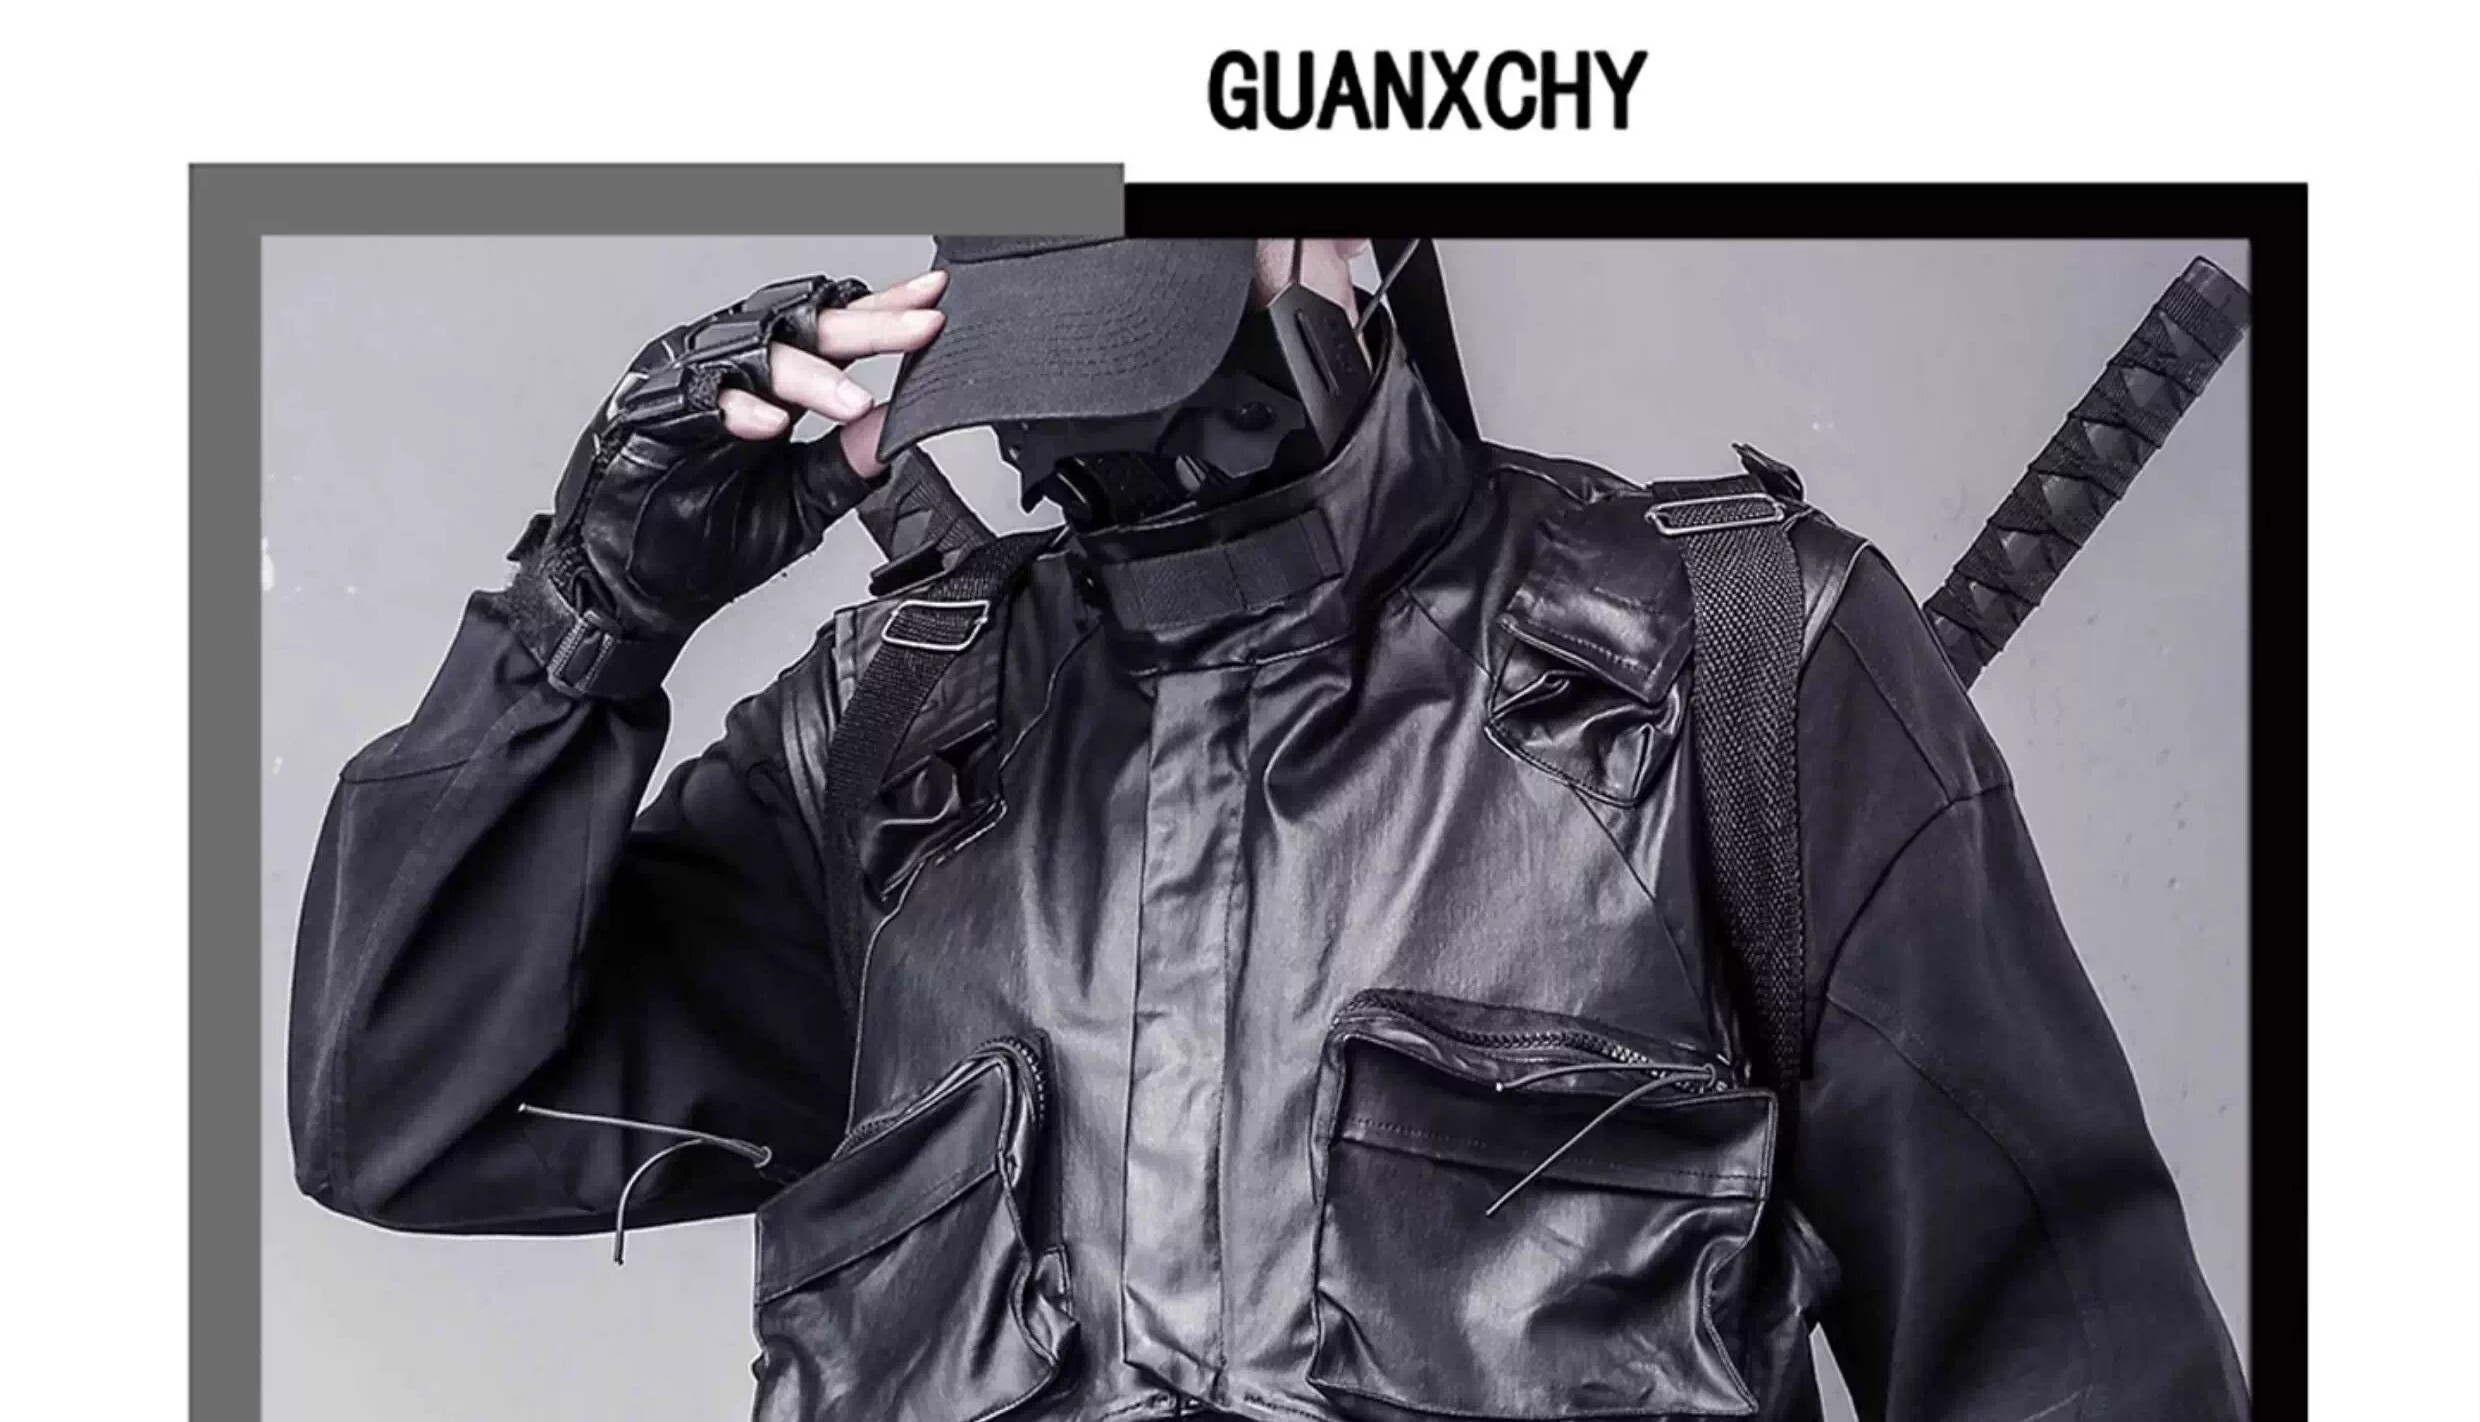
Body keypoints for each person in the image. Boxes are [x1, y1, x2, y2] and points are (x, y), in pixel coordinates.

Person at [288, 237, 2249, 1421]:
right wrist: (588, 619)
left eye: (1134, 342)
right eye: (1034, 369)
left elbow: (2075, 1367)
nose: (1073, 437)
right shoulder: (883, 756)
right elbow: (409, 1110)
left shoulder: (1735, 672)